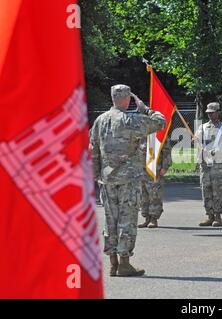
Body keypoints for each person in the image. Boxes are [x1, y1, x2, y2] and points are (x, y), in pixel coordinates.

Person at [90, 85, 165, 276]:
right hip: (128, 179)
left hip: (107, 179)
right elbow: (160, 121)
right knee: (127, 220)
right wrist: (145, 109)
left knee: (110, 220)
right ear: (127, 99)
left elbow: (93, 151)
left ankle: (112, 263)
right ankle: (124, 263)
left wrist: (96, 176)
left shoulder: (100, 120)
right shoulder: (129, 120)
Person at [196, 102, 222, 227]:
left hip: (217, 164)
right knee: (206, 189)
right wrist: (200, 148)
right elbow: (197, 142)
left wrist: (212, 151)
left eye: (212, 112)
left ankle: (218, 217)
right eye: (208, 113)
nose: (209, 115)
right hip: (204, 164)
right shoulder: (202, 127)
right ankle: (209, 215)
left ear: (217, 112)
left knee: (217, 190)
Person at [138, 140, 172, 229]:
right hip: (141, 169)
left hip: (155, 169)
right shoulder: (141, 132)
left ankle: (154, 219)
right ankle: (146, 218)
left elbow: (167, 152)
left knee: (155, 194)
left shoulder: (159, 133)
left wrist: (165, 167)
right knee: (143, 194)